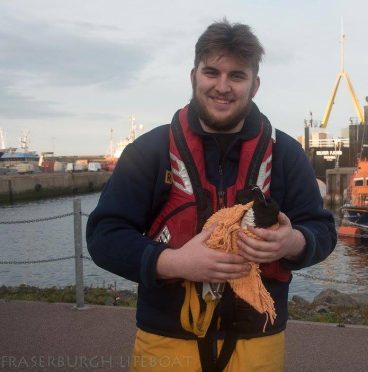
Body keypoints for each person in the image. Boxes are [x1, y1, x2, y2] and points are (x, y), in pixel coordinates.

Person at [86, 19, 337, 372]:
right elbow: (103, 236)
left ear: (255, 84)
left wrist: (291, 241)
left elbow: (323, 231)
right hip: (165, 339)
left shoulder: (287, 154)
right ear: (193, 77)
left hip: (258, 339)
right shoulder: (148, 151)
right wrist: (174, 262)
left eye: (237, 76)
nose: (223, 86)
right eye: (212, 72)